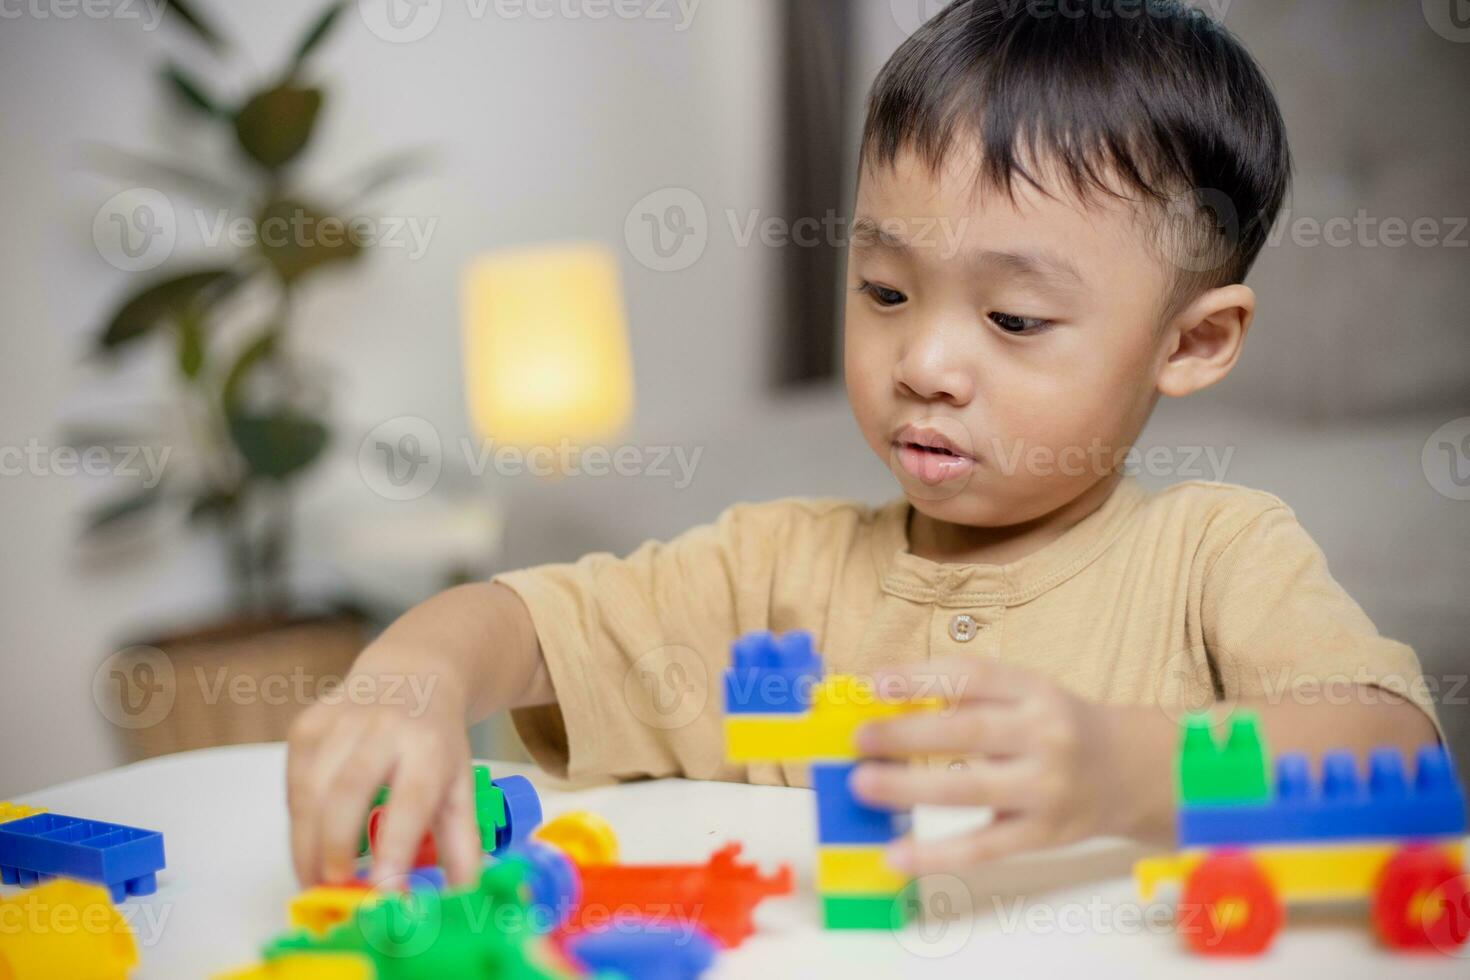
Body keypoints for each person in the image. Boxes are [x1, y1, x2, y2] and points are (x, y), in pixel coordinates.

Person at [287, 0, 1441, 888]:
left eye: (1014, 319)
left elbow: (1397, 759)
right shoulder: (773, 570)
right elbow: (535, 625)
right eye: (885, 288)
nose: (925, 360)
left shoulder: (1215, 554)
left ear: (1191, 343)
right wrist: (412, 680)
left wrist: (1123, 769)